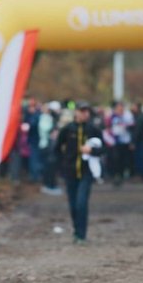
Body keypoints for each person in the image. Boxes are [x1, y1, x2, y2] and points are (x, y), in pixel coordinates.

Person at [55, 102, 104, 243]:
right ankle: (76, 231)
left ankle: (82, 234)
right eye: (82, 111)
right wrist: (61, 166)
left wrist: (92, 151)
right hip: (70, 172)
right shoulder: (67, 129)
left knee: (82, 202)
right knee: (73, 204)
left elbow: (104, 149)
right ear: (76, 112)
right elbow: (57, 149)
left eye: (87, 111)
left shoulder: (93, 129)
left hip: (86, 172)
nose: (85, 114)